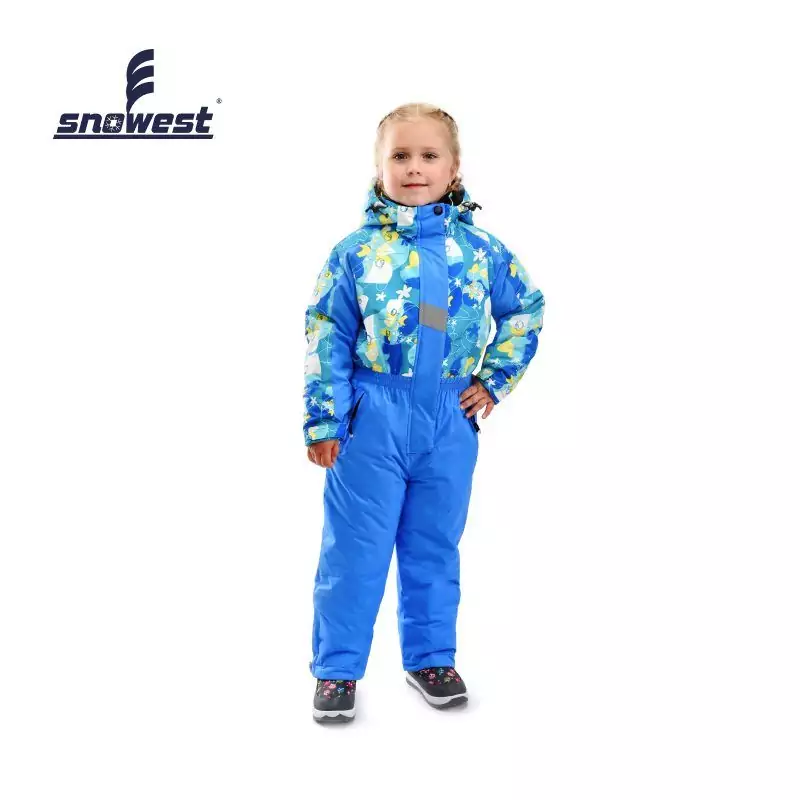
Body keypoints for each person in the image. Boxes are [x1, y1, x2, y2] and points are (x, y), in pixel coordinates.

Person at [303, 102, 545, 723]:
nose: (415, 168)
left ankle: (431, 657)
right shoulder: (356, 253)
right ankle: (337, 668)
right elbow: (327, 333)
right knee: (354, 550)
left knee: (434, 545)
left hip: (449, 419)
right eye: (400, 156)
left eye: (429, 155)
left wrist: (493, 379)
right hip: (371, 420)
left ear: (454, 168)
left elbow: (525, 308)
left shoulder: (482, 251)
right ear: (379, 167)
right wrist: (325, 420)